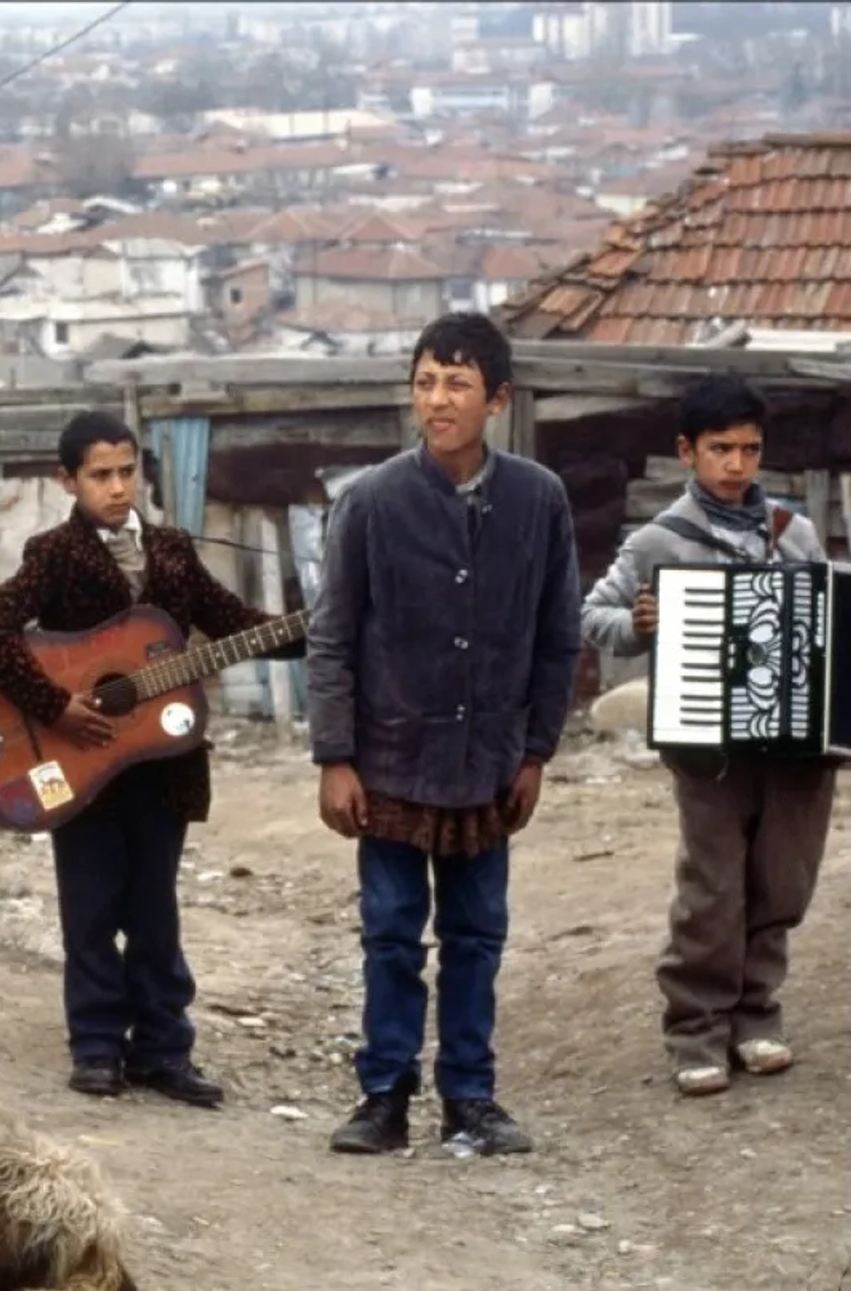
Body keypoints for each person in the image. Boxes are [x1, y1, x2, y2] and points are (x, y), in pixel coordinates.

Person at [0, 410, 300, 1110]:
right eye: (100, 475)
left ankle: (164, 1050)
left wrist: (320, 629)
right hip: (81, 764)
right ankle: (96, 1048)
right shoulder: (52, 553)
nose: (117, 488)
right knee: (89, 906)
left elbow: (234, 623)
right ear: (68, 479)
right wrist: (53, 705)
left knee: (154, 908)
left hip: (162, 761)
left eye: (126, 472)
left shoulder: (172, 549)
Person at [306, 311, 580, 1158]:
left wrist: (537, 752)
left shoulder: (539, 500)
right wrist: (335, 757)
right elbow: (332, 634)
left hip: (489, 762)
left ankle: (472, 1097)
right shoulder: (372, 501)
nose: (438, 399)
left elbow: (556, 634)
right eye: (426, 381)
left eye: (457, 383)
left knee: (476, 936)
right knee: (391, 933)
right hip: (388, 760)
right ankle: (384, 1093)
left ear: (496, 398)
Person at [580, 374, 835, 1097]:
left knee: (782, 879)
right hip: (707, 744)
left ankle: (758, 1014)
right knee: (713, 886)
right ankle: (696, 1025)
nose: (736, 464)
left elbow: (826, 625)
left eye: (750, 450)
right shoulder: (659, 540)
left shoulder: (797, 533)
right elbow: (587, 616)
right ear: (687, 451)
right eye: (721, 449)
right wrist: (637, 625)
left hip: (794, 743)